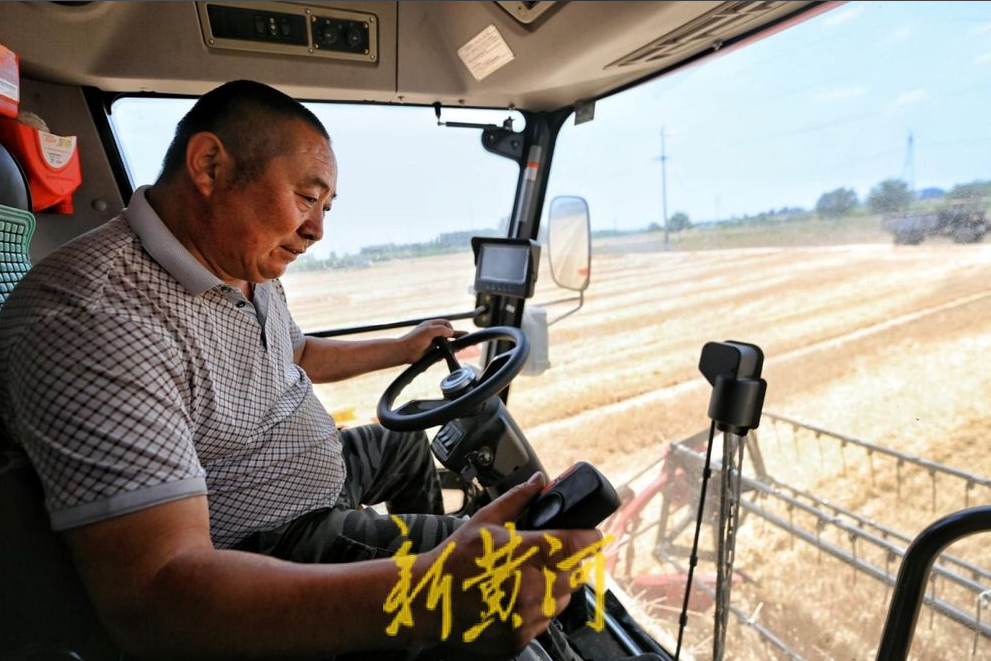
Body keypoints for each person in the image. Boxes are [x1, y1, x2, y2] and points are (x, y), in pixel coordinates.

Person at [0, 79, 601, 659]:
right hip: (274, 533)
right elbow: (158, 596)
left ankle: (412, 588)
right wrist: (430, 589)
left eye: (326, 207)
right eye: (307, 199)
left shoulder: (243, 264)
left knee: (405, 447)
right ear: (209, 166)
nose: (316, 231)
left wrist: (403, 348)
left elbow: (297, 353)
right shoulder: (93, 318)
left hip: (310, 469)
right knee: (505, 571)